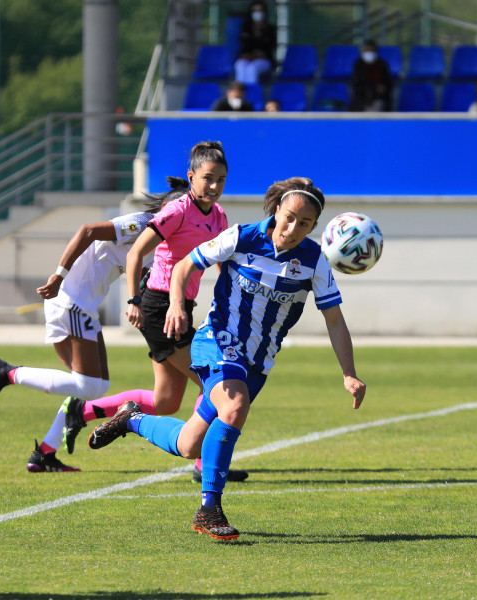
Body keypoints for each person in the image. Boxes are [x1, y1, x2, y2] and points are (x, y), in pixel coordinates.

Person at [88, 177, 367, 541]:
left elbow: (334, 319)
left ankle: (131, 419)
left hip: (258, 363)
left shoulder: (314, 261)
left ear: (315, 228)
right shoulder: (242, 237)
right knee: (233, 408)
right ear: (276, 210)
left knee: (189, 444)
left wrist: (349, 373)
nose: (293, 228)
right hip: (217, 341)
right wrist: (176, 305)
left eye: (305, 224)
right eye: (289, 217)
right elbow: (186, 265)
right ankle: (209, 509)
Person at [65, 141, 246, 484]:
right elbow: (135, 255)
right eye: (207, 178)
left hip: (181, 308)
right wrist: (133, 301)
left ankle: (82, 410)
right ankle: (203, 465)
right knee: (213, 384)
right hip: (160, 306)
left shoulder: (219, 215)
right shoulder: (177, 211)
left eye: (221, 179)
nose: (214, 186)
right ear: (191, 177)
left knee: (166, 401)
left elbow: (221, 263)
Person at [0, 180, 185, 472]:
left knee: (92, 386)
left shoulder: (165, 242)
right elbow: (87, 230)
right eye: (181, 211)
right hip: (72, 300)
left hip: (82, 304)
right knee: (88, 385)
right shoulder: (142, 223)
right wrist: (59, 275)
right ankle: (6, 373)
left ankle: (44, 454)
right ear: (167, 210)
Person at [234, 1, 277, 85]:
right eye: (255, 11)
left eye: (260, 10)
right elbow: (244, 45)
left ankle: (251, 94)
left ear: (264, 12)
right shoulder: (245, 27)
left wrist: (261, 32)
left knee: (252, 68)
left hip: (264, 60)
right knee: (240, 65)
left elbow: (271, 47)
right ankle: (239, 91)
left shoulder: (270, 28)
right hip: (247, 58)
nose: (257, 13)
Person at [350, 39, 393, 112]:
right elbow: (355, 85)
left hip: (379, 99)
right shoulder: (358, 65)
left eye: (371, 50)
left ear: (376, 51)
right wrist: (370, 90)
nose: (369, 53)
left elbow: (388, 83)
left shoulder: (382, 64)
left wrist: (383, 89)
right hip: (361, 100)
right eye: (366, 50)